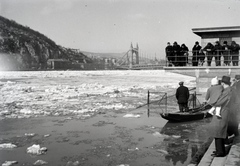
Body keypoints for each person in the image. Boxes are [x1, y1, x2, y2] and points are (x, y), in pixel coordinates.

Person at [209, 76, 232, 157]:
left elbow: (219, 102)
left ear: (223, 83)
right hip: (222, 112)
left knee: (218, 131)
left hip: (222, 113)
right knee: (218, 132)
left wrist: (212, 103)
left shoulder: (227, 91)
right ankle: (219, 150)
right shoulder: (227, 90)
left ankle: (220, 152)